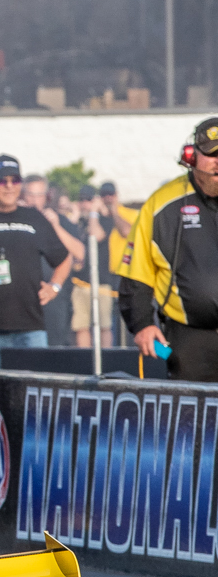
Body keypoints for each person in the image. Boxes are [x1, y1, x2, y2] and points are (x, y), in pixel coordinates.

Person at [118, 117, 218, 381]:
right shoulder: (161, 204)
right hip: (189, 337)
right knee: (193, 419)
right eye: (211, 154)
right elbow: (135, 273)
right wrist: (141, 324)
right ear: (191, 156)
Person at [0, 155, 71, 369]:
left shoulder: (35, 218)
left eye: (15, 180)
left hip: (30, 330)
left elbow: (64, 258)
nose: (9, 186)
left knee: (33, 397)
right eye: (2, 181)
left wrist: (54, 287)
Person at [21, 174, 85, 346]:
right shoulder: (16, 219)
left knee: (55, 348)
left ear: (47, 197)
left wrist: (55, 226)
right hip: (22, 299)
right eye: (30, 195)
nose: (35, 200)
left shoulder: (59, 220)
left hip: (55, 298)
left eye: (39, 195)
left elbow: (80, 253)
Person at [74, 181, 135, 348]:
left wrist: (94, 213)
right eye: (82, 199)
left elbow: (97, 235)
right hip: (82, 282)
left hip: (106, 280)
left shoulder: (109, 218)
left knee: (105, 325)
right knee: (81, 325)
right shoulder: (80, 220)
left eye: (88, 199)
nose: (85, 203)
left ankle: (108, 358)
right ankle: (84, 361)